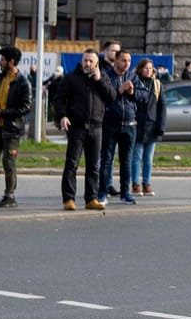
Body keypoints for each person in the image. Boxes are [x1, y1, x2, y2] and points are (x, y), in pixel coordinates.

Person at [55, 50, 114, 210]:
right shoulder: (71, 78)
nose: (87, 64)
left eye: (91, 61)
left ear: (96, 64)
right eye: (85, 60)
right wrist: (62, 116)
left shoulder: (103, 77)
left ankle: (91, 199)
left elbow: (111, 96)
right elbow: (59, 99)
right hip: (76, 127)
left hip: (96, 126)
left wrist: (99, 80)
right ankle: (68, 199)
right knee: (72, 164)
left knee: (94, 165)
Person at [0, 46, 31, 208]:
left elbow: (25, 108)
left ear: (11, 61)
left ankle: (10, 196)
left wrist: (2, 113)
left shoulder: (23, 82)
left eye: (2, 59)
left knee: (8, 163)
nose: (0, 62)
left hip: (12, 129)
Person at [100, 50, 138, 203]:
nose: (127, 63)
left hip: (129, 124)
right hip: (111, 123)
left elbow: (143, 96)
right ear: (115, 60)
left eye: (129, 60)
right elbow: (104, 96)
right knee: (107, 159)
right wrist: (120, 90)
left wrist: (132, 92)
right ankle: (102, 192)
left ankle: (125, 193)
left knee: (126, 160)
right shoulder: (106, 76)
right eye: (123, 60)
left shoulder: (133, 76)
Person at [128, 55, 162, 196]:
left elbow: (162, 108)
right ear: (140, 69)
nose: (148, 71)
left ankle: (146, 183)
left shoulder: (157, 84)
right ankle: (135, 184)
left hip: (152, 126)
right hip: (137, 125)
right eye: (145, 68)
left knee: (148, 158)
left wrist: (161, 127)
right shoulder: (134, 82)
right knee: (136, 157)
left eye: (150, 68)